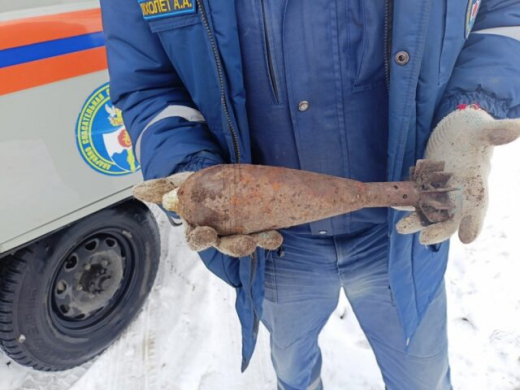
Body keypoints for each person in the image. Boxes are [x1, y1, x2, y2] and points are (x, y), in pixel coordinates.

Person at [100, 1, 520, 388]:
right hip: (275, 248)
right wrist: (189, 172)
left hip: (402, 237)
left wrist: (473, 106)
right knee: (292, 369)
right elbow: (147, 86)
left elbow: (505, 11)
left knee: (423, 375)